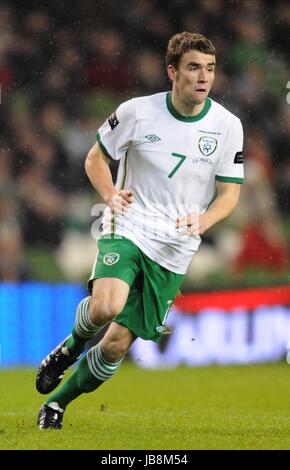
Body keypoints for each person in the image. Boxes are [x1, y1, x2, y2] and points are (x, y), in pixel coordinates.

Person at [36, 32, 244, 429]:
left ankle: (57, 404)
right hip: (130, 223)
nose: (204, 77)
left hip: (176, 247)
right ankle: (70, 348)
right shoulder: (137, 112)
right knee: (106, 306)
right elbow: (95, 158)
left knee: (115, 345)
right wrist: (111, 194)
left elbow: (229, 194)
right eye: (194, 67)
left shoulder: (227, 126)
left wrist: (205, 220)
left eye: (210, 69)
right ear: (172, 71)